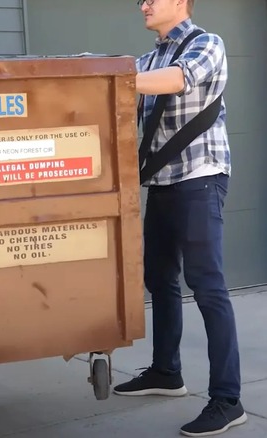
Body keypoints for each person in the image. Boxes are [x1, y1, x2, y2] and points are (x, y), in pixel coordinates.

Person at [112, 0, 246, 436]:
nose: (144, 4)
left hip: (200, 178)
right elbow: (122, 95)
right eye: (140, 0)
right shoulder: (148, 59)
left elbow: (179, 79)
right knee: (160, 279)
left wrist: (116, 79)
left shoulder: (207, 44)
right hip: (164, 182)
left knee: (207, 287)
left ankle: (228, 400)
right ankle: (167, 372)